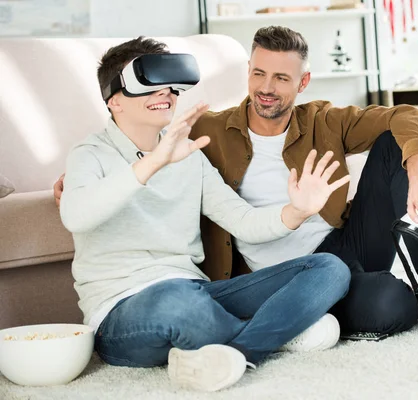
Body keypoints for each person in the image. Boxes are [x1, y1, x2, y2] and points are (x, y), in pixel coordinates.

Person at [55, 27, 418, 336]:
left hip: (341, 245)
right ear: (248, 72)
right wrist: (78, 179)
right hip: (270, 274)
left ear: (303, 81)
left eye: (281, 78)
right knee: (391, 308)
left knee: (395, 141)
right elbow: (141, 143)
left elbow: (406, 115)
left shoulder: (326, 120)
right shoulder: (204, 131)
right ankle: (403, 293)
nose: (266, 87)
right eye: (258, 73)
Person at [59, 36, 352, 392]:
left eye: (170, 87)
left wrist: (297, 211)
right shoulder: (88, 154)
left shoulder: (190, 155)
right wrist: (155, 161)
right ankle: (274, 332)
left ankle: (238, 352)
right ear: (114, 100)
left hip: (196, 292)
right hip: (122, 312)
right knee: (177, 301)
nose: (164, 95)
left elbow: (242, 220)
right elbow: (76, 216)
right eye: (149, 87)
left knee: (328, 268)